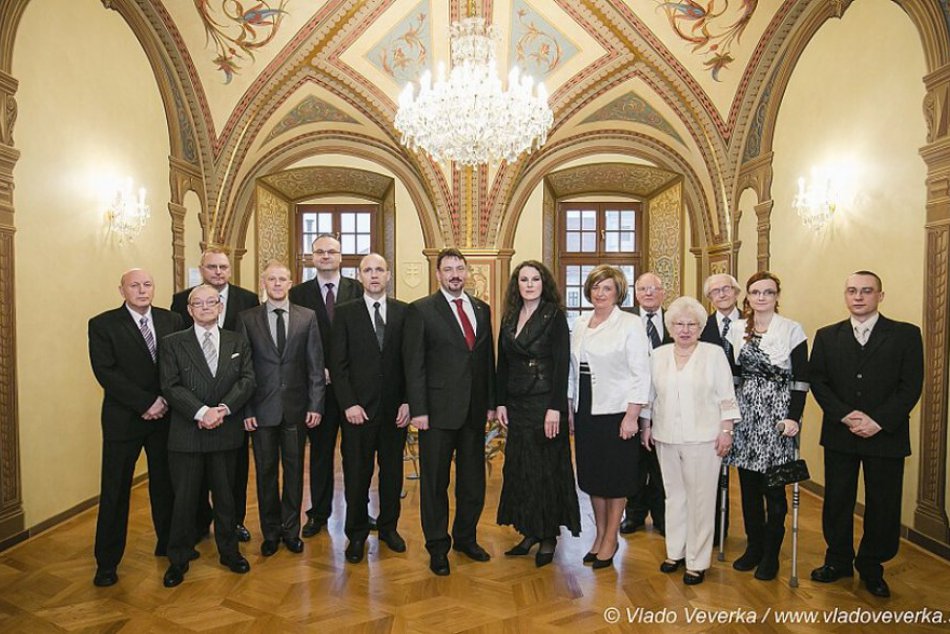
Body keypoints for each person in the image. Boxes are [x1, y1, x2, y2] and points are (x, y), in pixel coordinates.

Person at [809, 271, 923, 598]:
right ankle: (838, 560)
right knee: (837, 500)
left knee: (883, 504)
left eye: (866, 291)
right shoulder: (827, 336)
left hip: (885, 435)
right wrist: (845, 415)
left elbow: (910, 385)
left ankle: (873, 566)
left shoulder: (905, 335)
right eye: (852, 291)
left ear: (880, 296)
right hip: (840, 434)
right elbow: (818, 381)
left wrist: (878, 420)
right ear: (845, 295)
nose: (858, 296)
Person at [403, 248, 496, 576]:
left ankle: (466, 538)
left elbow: (486, 361)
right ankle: (437, 547)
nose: (455, 274)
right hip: (436, 414)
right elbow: (414, 364)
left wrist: (489, 404)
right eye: (448, 269)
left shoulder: (482, 309)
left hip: (473, 413)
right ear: (438, 274)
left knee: (473, 481)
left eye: (460, 268)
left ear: (467, 271)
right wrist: (419, 410)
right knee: (434, 483)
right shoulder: (421, 311)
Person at [88, 269, 183, 587]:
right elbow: (106, 372)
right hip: (124, 420)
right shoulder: (103, 324)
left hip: (166, 417)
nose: (142, 290)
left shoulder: (171, 320)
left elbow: (179, 366)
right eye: (134, 285)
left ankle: (169, 547)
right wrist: (145, 403)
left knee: (166, 486)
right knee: (115, 491)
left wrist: (165, 400)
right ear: (122, 290)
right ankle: (107, 562)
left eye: (147, 284)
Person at [159, 285, 256, 587]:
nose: (204, 307)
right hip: (187, 434)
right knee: (184, 500)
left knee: (226, 498)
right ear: (189, 309)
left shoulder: (237, 340)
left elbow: (248, 379)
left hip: (226, 432)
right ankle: (178, 559)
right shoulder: (172, 343)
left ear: (220, 306)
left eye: (210, 302)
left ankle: (230, 553)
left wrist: (223, 410)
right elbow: (170, 385)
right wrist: (202, 412)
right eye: (197, 303)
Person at [640, 296, 738, 585]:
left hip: (704, 438)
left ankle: (697, 561)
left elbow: (726, 396)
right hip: (666, 436)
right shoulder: (658, 355)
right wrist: (646, 426)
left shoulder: (713, 354)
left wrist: (727, 431)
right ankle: (676, 552)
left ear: (700, 326)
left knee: (701, 500)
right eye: (679, 324)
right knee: (674, 496)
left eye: (691, 324)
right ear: (670, 327)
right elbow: (649, 395)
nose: (685, 329)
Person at [171, 248, 260, 543]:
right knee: (192, 483)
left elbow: (250, 362)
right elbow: (176, 361)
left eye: (223, 267)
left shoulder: (247, 299)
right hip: (192, 410)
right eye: (212, 267)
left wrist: (226, 407)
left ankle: (234, 524)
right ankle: (198, 525)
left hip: (231, 405)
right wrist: (199, 410)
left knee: (232, 477)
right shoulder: (181, 300)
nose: (218, 272)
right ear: (202, 269)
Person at [495, 261, 581, 568]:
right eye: (523, 279)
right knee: (521, 468)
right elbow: (502, 362)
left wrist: (555, 408)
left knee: (546, 470)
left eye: (535, 279)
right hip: (517, 403)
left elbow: (561, 365)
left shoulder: (555, 316)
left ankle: (548, 536)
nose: (529, 284)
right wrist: (500, 401)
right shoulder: (509, 316)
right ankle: (529, 530)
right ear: (516, 285)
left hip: (545, 402)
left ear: (544, 283)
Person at [725, 271, 808, 581]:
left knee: (774, 489)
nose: (761, 297)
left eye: (768, 292)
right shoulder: (735, 330)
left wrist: (794, 418)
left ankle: (772, 554)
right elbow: (731, 377)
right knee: (747, 489)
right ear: (747, 297)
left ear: (776, 296)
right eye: (756, 292)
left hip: (778, 420)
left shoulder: (792, 330)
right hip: (746, 417)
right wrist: (729, 416)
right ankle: (754, 547)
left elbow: (801, 381)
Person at [238, 262, 324, 558]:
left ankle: (291, 531)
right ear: (263, 283)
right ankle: (270, 533)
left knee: (294, 471)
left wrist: (316, 404)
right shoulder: (247, 319)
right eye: (271, 279)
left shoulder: (307, 317)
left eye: (282, 279)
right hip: (260, 411)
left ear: (291, 282)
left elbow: (315, 365)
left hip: (296, 410)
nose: (277, 284)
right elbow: (243, 369)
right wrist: (246, 409)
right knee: (265, 474)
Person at [330, 253, 410, 564]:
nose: (374, 275)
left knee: (392, 475)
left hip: (394, 411)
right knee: (356, 475)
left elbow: (411, 362)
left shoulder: (405, 313)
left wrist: (408, 401)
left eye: (380, 269)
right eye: (368, 270)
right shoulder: (345, 312)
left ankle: (389, 528)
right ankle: (357, 534)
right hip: (357, 412)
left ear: (388, 275)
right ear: (360, 276)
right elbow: (338, 364)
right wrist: (348, 402)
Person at [569, 265, 650, 570]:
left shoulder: (630, 324)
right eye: (595, 287)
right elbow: (572, 369)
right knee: (592, 477)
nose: (599, 293)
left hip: (617, 410)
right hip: (586, 406)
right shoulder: (579, 322)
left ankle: (611, 538)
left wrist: (632, 416)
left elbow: (642, 373)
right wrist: (570, 408)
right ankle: (599, 535)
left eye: (607, 288)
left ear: (618, 293)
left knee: (615, 478)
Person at [289, 233, 364, 537]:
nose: (325, 256)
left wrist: (343, 372)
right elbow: (295, 341)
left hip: (353, 389)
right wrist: (318, 371)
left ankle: (358, 514)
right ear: (311, 257)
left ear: (341, 256)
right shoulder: (298, 293)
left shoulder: (358, 289)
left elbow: (365, 340)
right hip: (316, 389)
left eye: (331, 251)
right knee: (320, 454)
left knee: (355, 455)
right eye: (319, 251)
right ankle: (319, 513)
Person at [622, 272, 671, 535]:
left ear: (663, 293)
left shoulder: (676, 321)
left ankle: (663, 517)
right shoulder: (625, 320)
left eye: (654, 288)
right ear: (635, 293)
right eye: (643, 289)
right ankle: (635, 515)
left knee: (663, 464)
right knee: (635, 463)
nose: (649, 293)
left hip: (668, 404)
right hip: (633, 404)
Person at [699, 273, 742, 543]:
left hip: (748, 403)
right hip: (711, 407)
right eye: (715, 291)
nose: (722, 294)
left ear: (736, 292)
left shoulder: (753, 323)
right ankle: (715, 531)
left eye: (727, 289)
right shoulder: (702, 326)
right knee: (711, 472)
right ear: (709, 298)